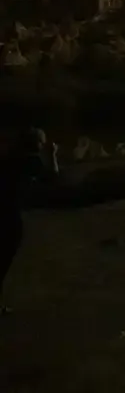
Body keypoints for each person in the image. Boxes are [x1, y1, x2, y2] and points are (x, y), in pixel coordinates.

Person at [0, 119, 55, 307]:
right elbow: (52, 178)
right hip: (9, 212)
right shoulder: (32, 160)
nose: (44, 145)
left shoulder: (10, 157)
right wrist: (52, 154)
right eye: (43, 142)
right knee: (6, 253)